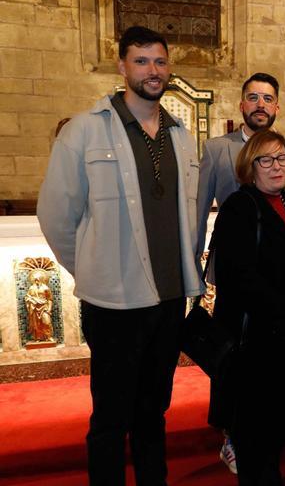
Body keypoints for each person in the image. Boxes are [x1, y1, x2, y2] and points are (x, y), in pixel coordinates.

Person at [37, 26, 204, 485]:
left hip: (170, 298)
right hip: (114, 303)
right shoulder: (85, 131)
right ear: (122, 66)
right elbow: (55, 216)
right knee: (111, 417)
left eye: (160, 62)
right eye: (142, 61)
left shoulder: (182, 136)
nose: (153, 71)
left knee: (154, 412)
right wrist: (95, 269)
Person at [197, 72, 285, 474]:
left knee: (276, 432)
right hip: (256, 341)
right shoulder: (239, 208)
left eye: (282, 159)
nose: (277, 166)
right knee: (255, 437)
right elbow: (241, 279)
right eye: (266, 160)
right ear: (250, 165)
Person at [197, 72, 285, 254]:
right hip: (234, 258)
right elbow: (199, 214)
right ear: (242, 105)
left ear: (277, 108)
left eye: (268, 99)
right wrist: (194, 266)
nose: (260, 105)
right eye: (253, 98)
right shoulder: (216, 150)